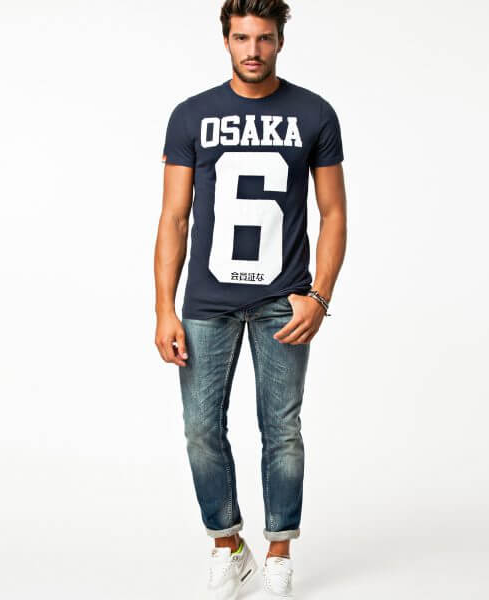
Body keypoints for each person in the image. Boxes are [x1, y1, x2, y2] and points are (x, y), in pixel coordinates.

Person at [154, 1, 347, 597]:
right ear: (226, 41)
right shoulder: (191, 115)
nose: (253, 50)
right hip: (208, 300)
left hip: (283, 300)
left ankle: (280, 551)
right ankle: (228, 545)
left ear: (280, 40)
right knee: (200, 428)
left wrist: (319, 296)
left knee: (281, 429)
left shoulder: (314, 113)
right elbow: (174, 217)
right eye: (242, 38)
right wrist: (164, 308)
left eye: (264, 38)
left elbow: (334, 212)